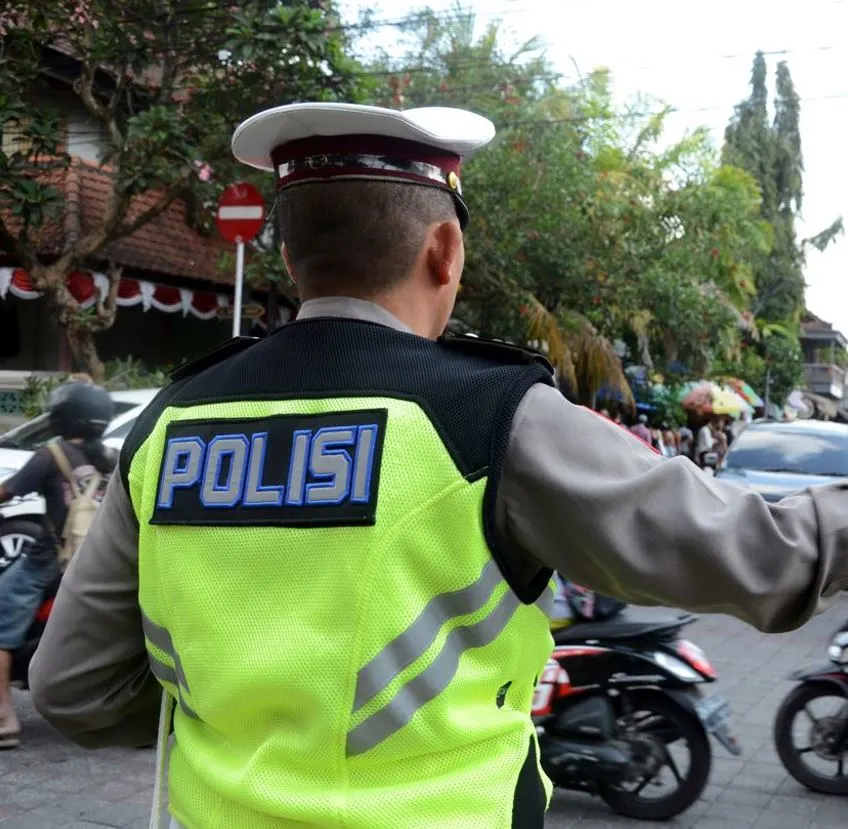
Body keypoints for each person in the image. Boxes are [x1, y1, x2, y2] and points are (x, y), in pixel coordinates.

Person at [27, 102, 848, 829]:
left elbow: (70, 684)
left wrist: (246, 724)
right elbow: (767, 557)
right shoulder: (490, 417)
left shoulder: (172, 424)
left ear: (289, 259)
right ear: (444, 249)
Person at [0, 380, 114, 748]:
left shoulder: (51, 455)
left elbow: (8, 491)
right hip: (100, 563)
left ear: (62, 417)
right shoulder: (110, 458)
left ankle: (4, 719)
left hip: (49, 562)